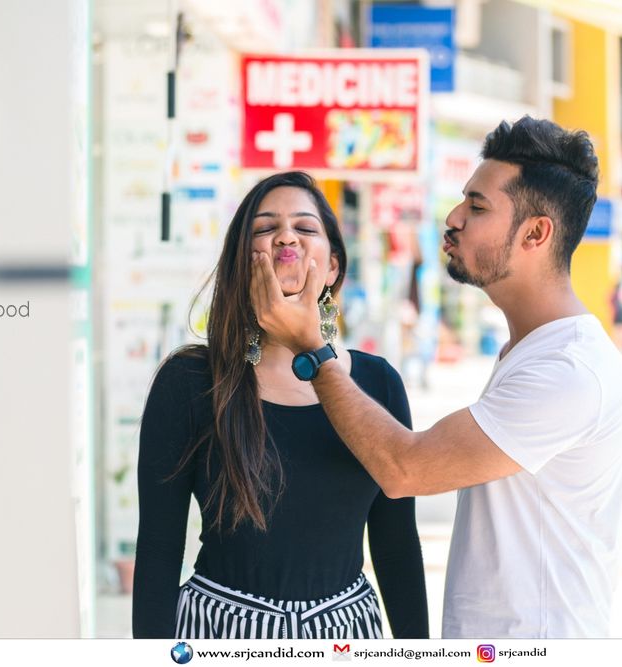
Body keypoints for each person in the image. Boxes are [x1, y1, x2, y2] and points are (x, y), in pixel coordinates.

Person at [250, 117, 622, 638]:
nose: (453, 218)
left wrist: (311, 349)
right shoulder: (529, 350)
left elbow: (405, 469)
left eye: (478, 207)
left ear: (536, 233)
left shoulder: (568, 372)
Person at [132, 171, 428, 639]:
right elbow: (158, 547)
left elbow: (396, 545)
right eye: (265, 228)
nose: (286, 236)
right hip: (219, 630)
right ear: (241, 263)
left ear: (333, 266)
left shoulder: (379, 383)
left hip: (347, 634)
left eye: (306, 228)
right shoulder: (189, 382)